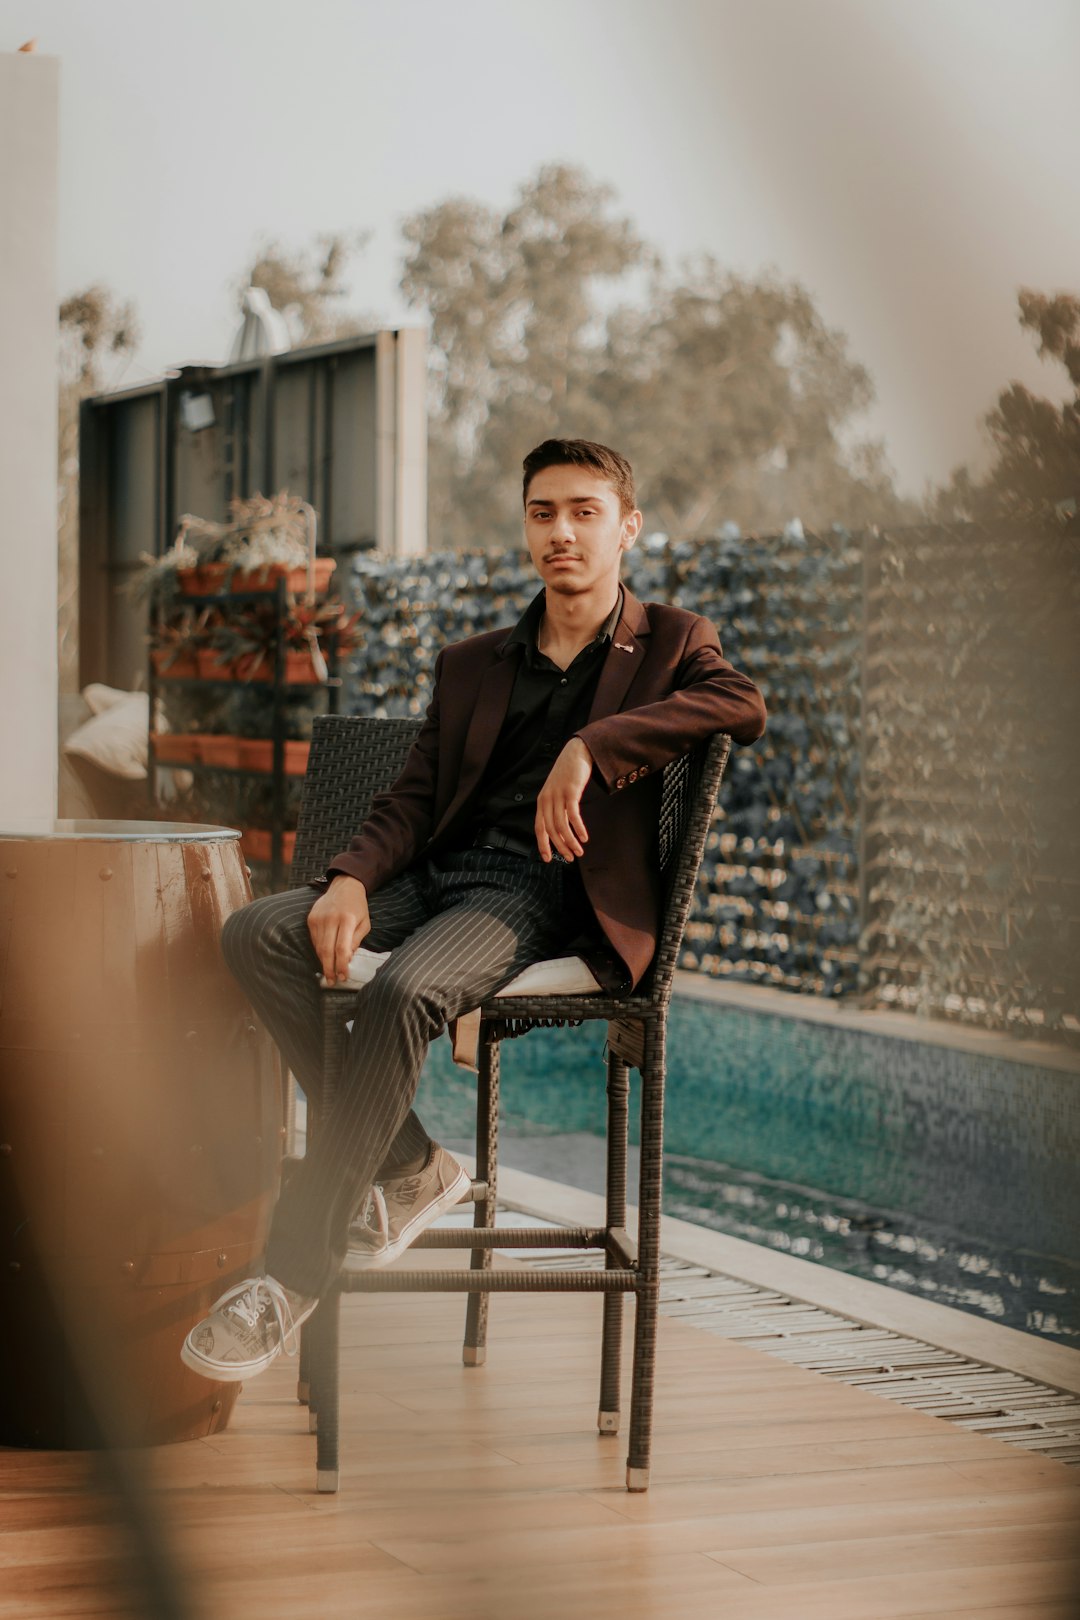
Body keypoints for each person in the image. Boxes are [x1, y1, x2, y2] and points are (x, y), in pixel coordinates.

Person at [181, 438, 766, 1383]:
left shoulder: (673, 643)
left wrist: (592, 746)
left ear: (628, 528)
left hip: (537, 893)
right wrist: (351, 882)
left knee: (406, 990)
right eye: (543, 512)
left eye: (584, 511)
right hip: (442, 874)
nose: (562, 532)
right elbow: (413, 799)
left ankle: (288, 1279)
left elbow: (742, 705)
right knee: (256, 932)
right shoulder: (474, 662)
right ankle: (412, 1163)